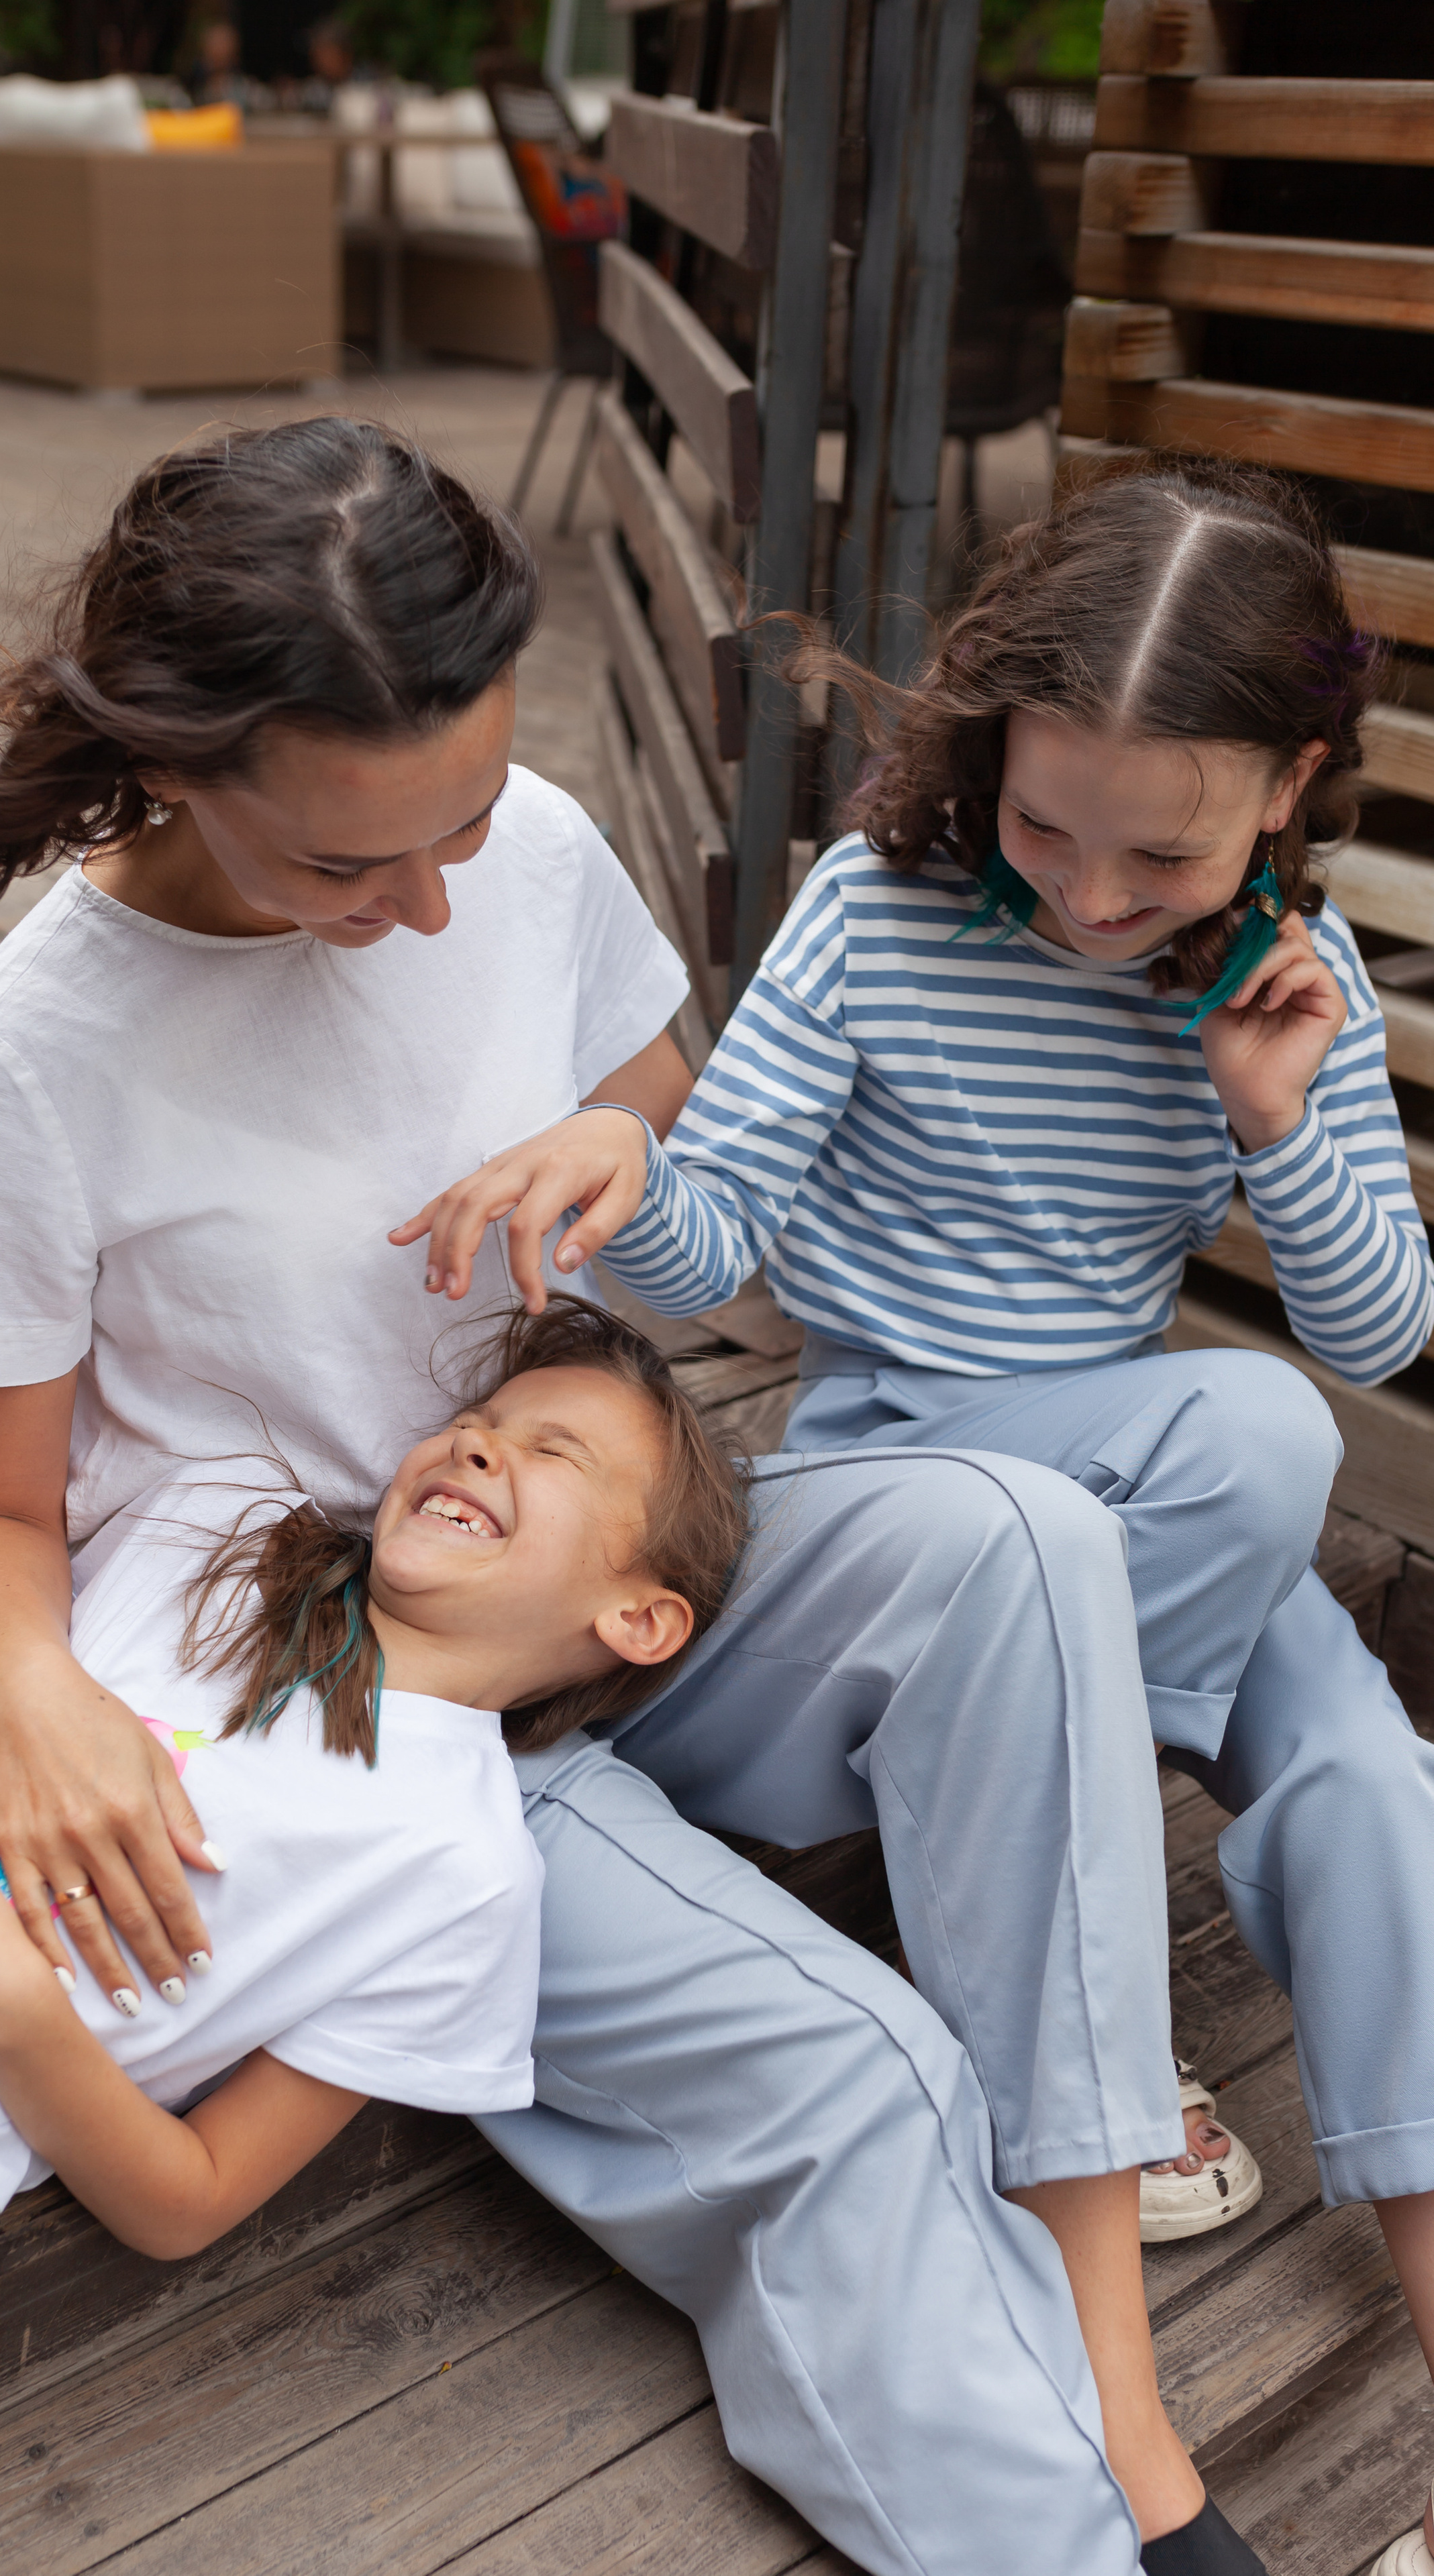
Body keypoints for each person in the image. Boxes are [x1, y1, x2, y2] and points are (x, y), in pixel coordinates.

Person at [0, 414, 1253, 2571]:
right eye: (343, 868)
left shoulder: (527, 852)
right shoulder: (32, 1062)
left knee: (1017, 1535)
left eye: (466, 824)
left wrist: (634, 1166)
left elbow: (657, 1125)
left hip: (614, 1550)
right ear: (170, 761)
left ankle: (1103, 2303)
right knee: (851, 2077)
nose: (428, 907)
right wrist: (31, 1700)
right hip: (366, 1678)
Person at [403, 459, 1434, 2576]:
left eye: (1164, 850)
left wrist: (1273, 1126)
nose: (1090, 892)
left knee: (1369, 1764)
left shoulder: (1291, 973)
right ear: (990, 747)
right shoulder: (878, 906)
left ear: (1293, 784)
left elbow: (1385, 1321)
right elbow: (719, 1236)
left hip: (1139, 1480)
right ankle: (1081, 2033)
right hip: (884, 1482)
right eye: (1048, 825)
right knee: (1245, 1440)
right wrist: (624, 1173)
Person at [0, 1302, 744, 2414]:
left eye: (556, 1453)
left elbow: (186, 2203)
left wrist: (5, 1999)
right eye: (477, 1419)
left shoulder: (464, 1876)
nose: (476, 1442)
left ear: (640, 1618)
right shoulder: (209, 1535)